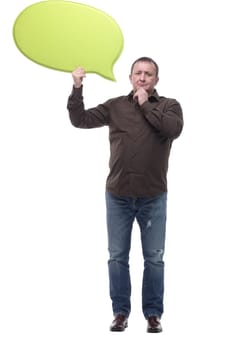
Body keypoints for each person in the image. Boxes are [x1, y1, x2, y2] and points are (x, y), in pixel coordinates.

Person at [67, 57, 183, 333]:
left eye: (148, 74)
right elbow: (79, 120)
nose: (142, 78)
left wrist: (145, 104)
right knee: (117, 256)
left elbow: (173, 130)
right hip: (118, 195)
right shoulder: (115, 106)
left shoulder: (169, 106)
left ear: (156, 80)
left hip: (153, 197)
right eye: (138, 73)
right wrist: (76, 88)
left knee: (154, 258)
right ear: (130, 77)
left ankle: (153, 314)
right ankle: (120, 313)